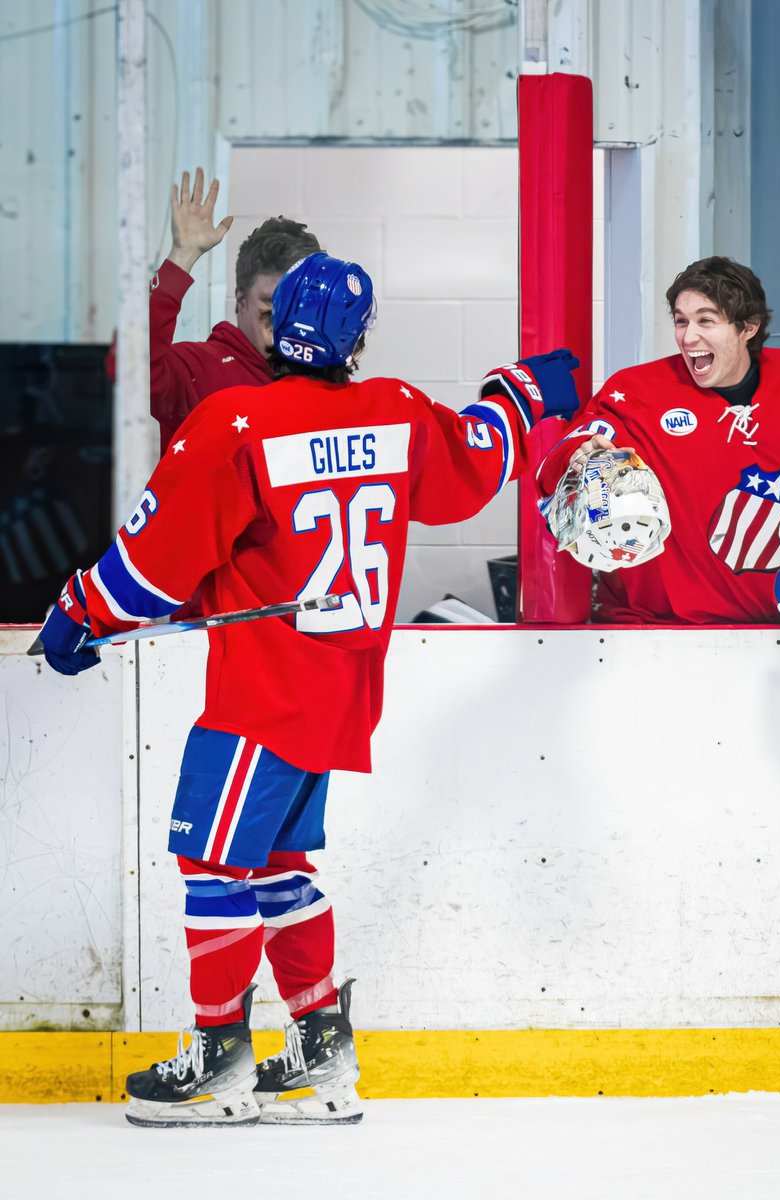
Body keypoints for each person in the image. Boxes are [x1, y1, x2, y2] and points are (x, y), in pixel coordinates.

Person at [37, 251, 579, 1128]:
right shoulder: (396, 410)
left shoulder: (238, 421)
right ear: (356, 341)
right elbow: (475, 458)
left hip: (262, 691)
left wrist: (77, 612)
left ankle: (218, 1060)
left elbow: (152, 564)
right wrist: (524, 393)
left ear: (273, 321)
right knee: (279, 866)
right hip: (341, 693)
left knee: (213, 865)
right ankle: (322, 1055)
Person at [536, 256, 780, 627]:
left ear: (748, 327)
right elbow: (575, 452)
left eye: (706, 320)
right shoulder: (635, 393)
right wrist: (580, 456)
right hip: (661, 630)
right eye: (681, 321)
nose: (688, 337)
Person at [108, 168, 323, 453]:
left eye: (298, 304)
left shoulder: (324, 376)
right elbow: (124, 364)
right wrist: (182, 256)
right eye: (270, 304)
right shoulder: (198, 370)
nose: (284, 318)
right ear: (240, 298)